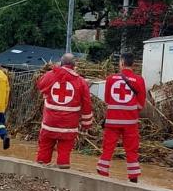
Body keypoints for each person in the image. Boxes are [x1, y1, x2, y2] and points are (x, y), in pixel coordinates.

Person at [34, 53, 92, 169]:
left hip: (50, 122)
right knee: (65, 148)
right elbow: (87, 103)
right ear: (74, 65)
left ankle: (39, 169)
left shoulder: (50, 75)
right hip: (69, 124)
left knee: (45, 146)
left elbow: (40, 86)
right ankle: (63, 167)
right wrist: (87, 123)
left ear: (61, 63)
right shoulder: (80, 82)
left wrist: (47, 93)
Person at [97, 52, 147, 183]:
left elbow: (107, 100)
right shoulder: (139, 80)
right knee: (131, 149)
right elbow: (141, 103)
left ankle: (103, 172)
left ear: (121, 63)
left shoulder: (110, 79)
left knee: (108, 147)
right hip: (130, 122)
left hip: (112, 121)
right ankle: (133, 177)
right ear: (134, 64)